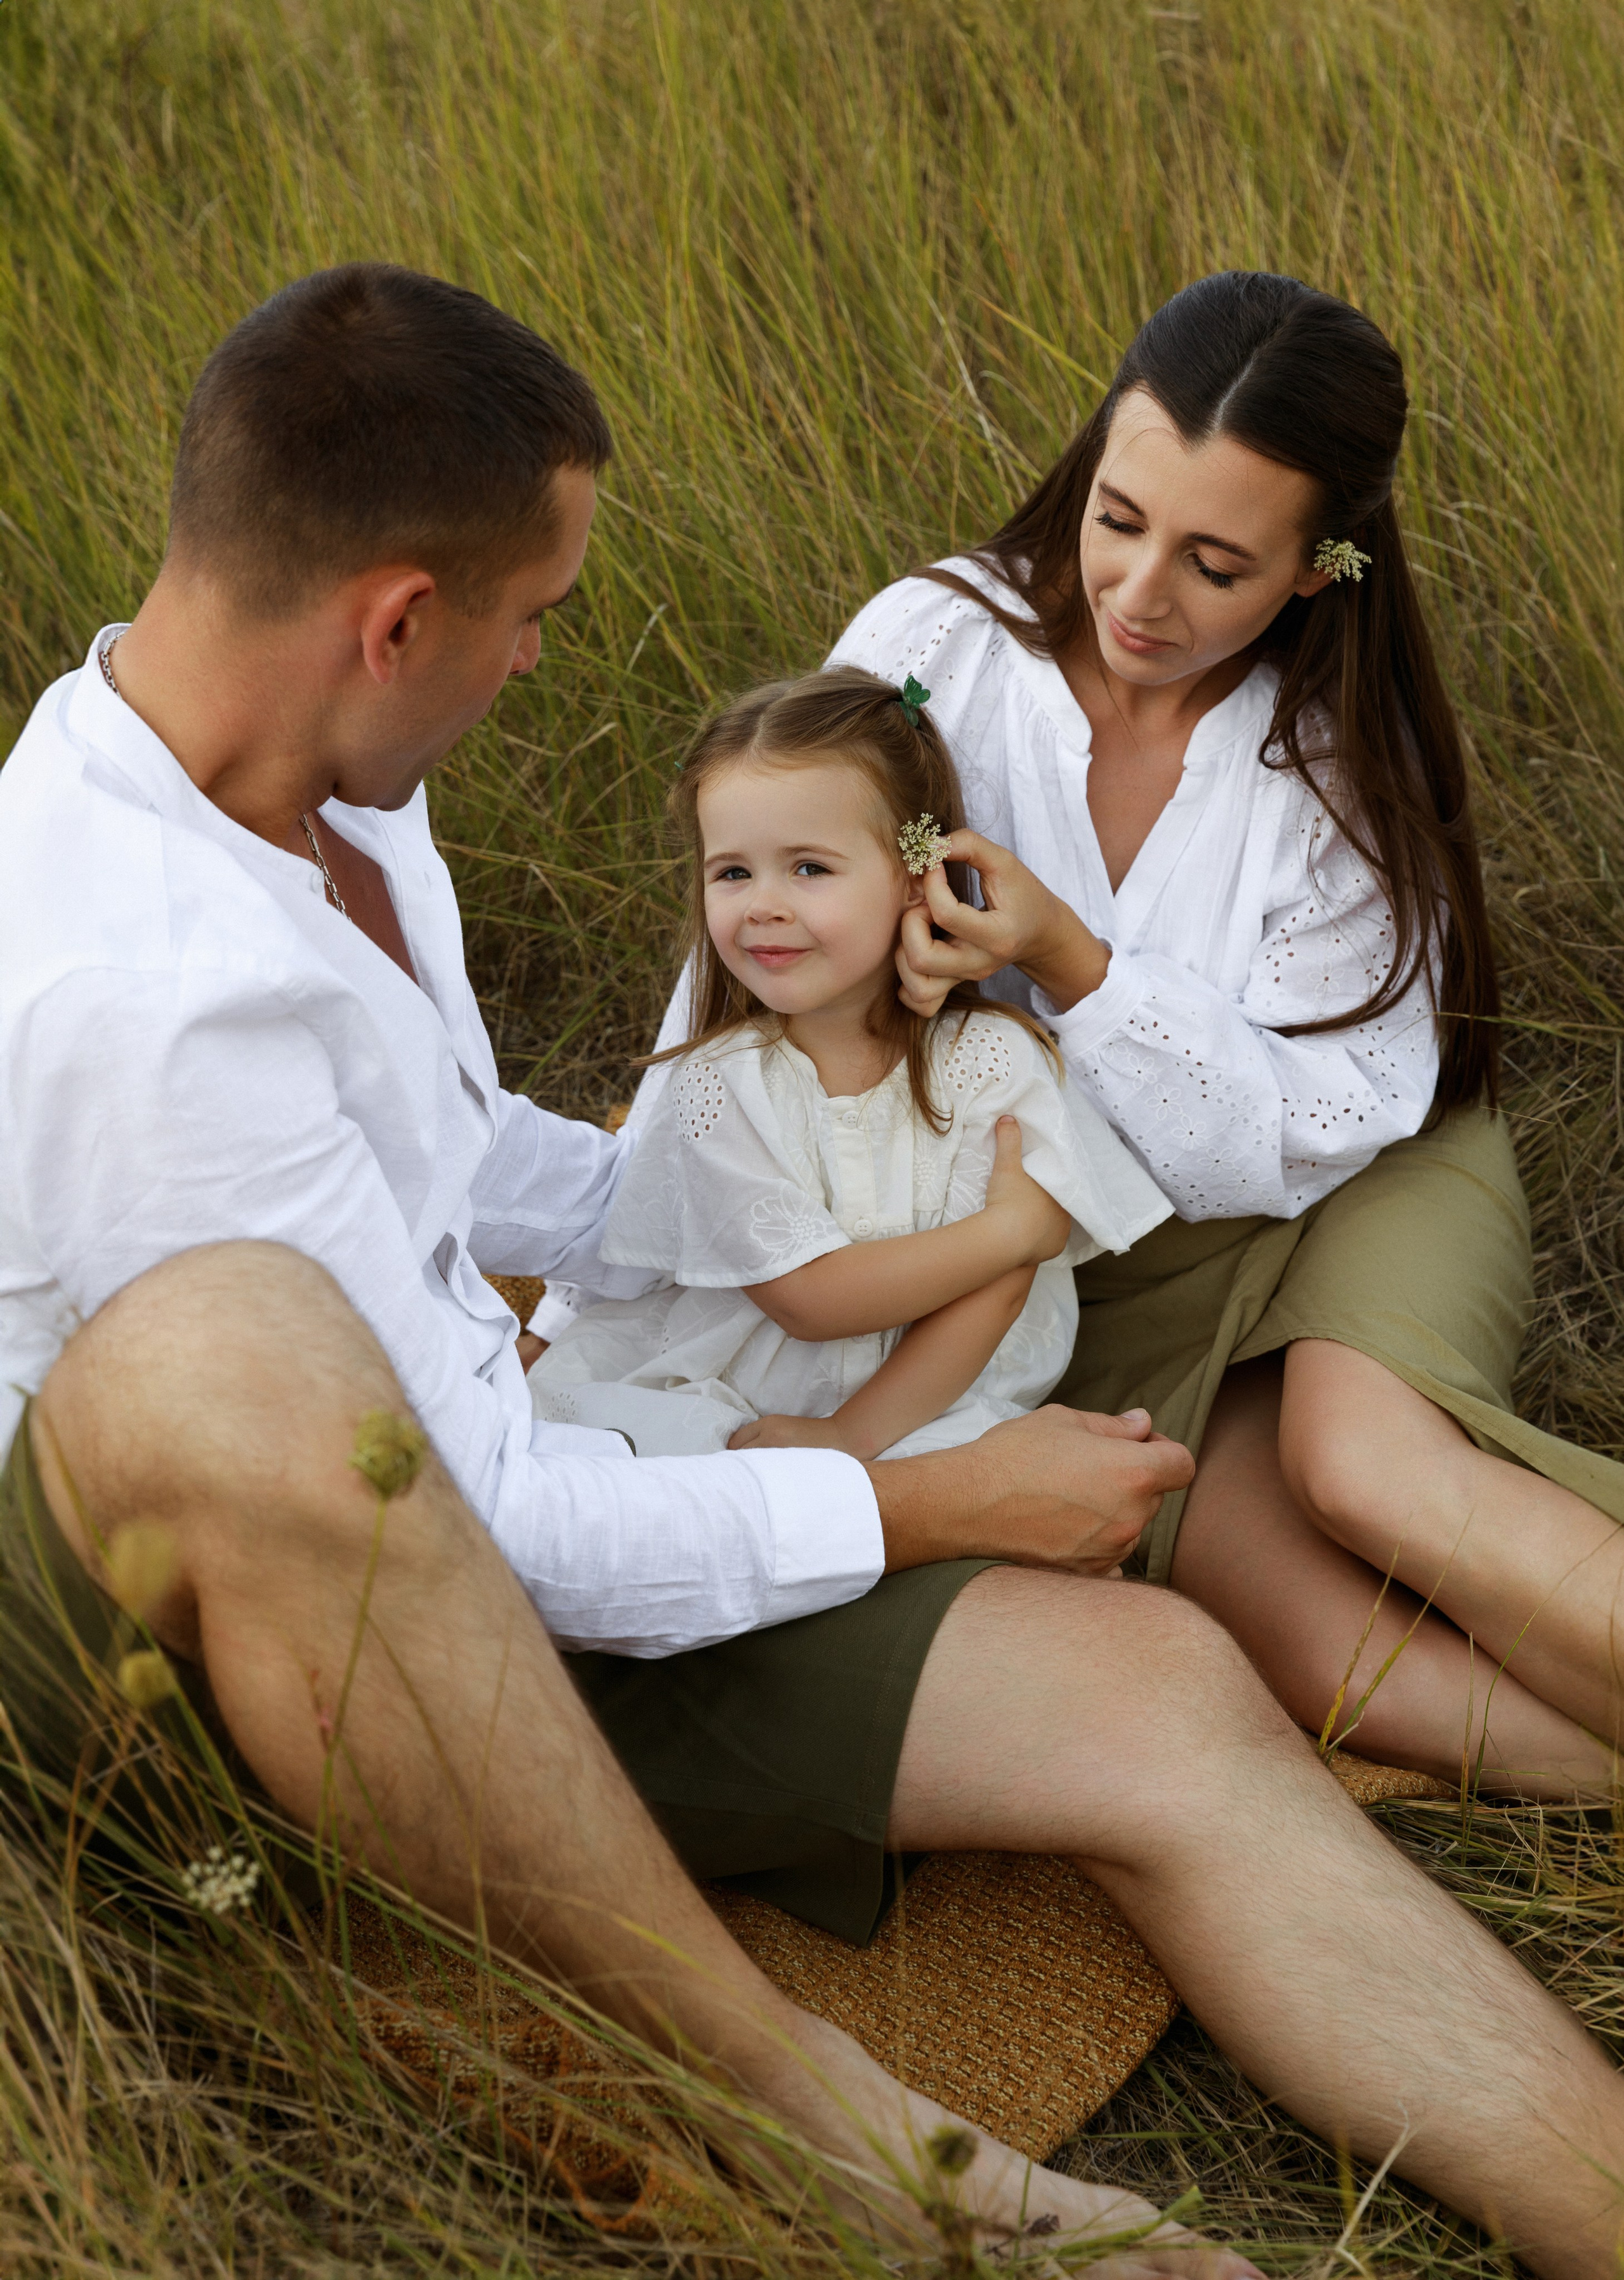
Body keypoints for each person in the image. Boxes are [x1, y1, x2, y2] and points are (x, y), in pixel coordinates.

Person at [2, 264, 1622, 2275]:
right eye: (528, 622)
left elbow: (483, 1157)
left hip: (509, 1472)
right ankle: (807, 2115)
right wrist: (928, 1492)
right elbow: (464, 1539)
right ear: (395, 616)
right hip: (298, 1661)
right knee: (285, 1358)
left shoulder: (311, 788)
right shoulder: (146, 1006)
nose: (532, 667)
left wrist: (792, 1189)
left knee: (1165, 1688)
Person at [813, 267, 1624, 1797]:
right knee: (1318, 1656)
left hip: (1346, 1159)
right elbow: (769, 909)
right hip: (1097, 1241)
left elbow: (1271, 1139)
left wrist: (1071, 958)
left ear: (1314, 571)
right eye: (1114, 519)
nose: (1136, 596)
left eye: (1213, 564)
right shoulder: (933, 648)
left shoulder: (1331, 769)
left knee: (1363, 1471)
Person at [530, 664, 1170, 1460]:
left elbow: (999, 1288)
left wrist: (852, 1436)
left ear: (914, 878)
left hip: (933, 1411)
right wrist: (1013, 1229)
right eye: (733, 871)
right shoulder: (718, 1085)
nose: (762, 902)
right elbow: (809, 1298)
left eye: (809, 867)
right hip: (734, 1399)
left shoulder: (993, 1063)